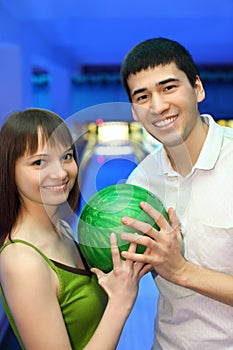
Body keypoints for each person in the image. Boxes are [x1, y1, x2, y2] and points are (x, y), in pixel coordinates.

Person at [0, 108, 151, 350]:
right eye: (39, 162)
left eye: (67, 157)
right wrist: (120, 300)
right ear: (9, 169)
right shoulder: (21, 261)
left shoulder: (62, 229)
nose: (61, 173)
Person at [119, 37, 233, 349]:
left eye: (168, 88)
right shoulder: (141, 180)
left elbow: (176, 272)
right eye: (143, 96)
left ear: (197, 88)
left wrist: (180, 270)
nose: (157, 106)